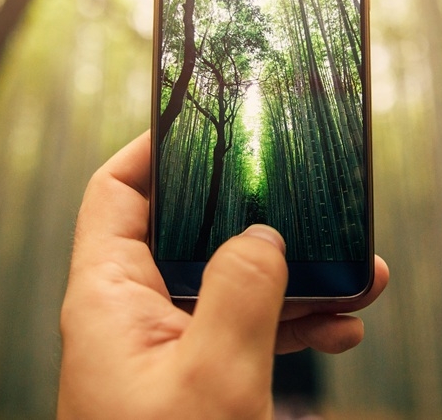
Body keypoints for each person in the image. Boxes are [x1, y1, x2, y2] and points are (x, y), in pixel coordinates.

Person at [56, 131, 390, 419]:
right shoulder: (251, 236)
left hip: (283, 269)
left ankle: (296, 406)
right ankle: (287, 406)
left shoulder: (289, 206)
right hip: (251, 275)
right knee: (290, 324)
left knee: (290, 325)